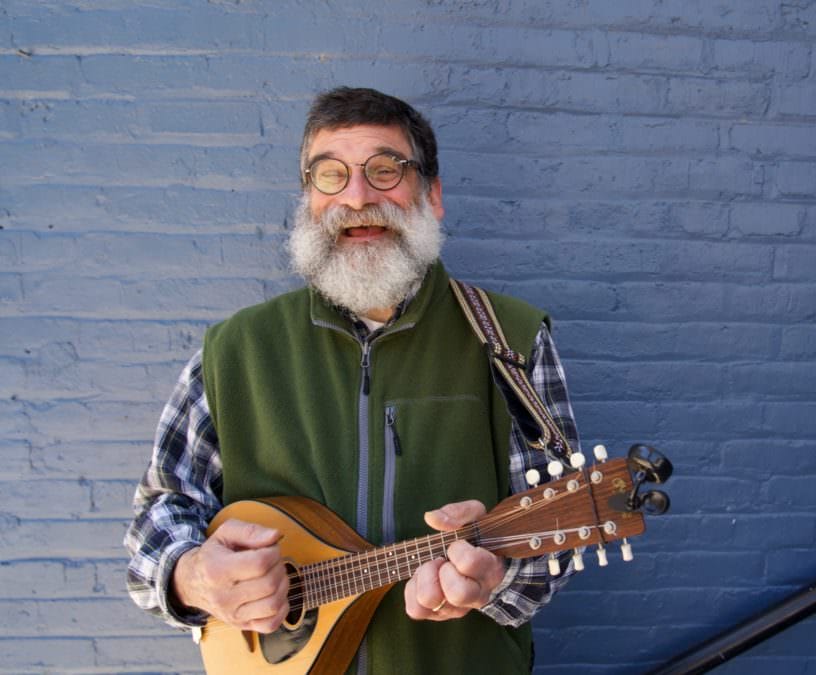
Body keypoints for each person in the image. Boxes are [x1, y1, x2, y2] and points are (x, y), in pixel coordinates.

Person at [124, 86, 580, 674]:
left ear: (432, 195)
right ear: (309, 201)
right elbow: (157, 519)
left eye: (385, 170)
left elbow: (560, 537)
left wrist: (496, 579)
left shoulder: (510, 341)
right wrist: (193, 577)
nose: (358, 197)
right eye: (330, 175)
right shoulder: (235, 351)